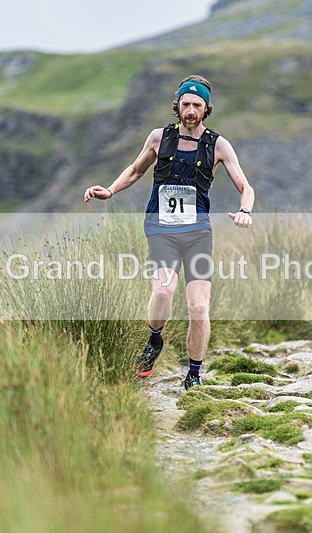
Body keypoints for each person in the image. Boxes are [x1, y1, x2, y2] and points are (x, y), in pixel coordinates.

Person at [84, 74, 254, 390]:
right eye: (186, 104)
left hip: (197, 232)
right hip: (160, 228)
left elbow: (245, 187)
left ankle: (194, 374)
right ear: (177, 106)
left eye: (197, 105)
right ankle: (154, 340)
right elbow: (136, 170)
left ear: (206, 109)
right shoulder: (158, 138)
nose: (191, 110)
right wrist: (110, 190)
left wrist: (245, 211)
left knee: (199, 307)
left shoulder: (218, 145)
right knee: (163, 291)